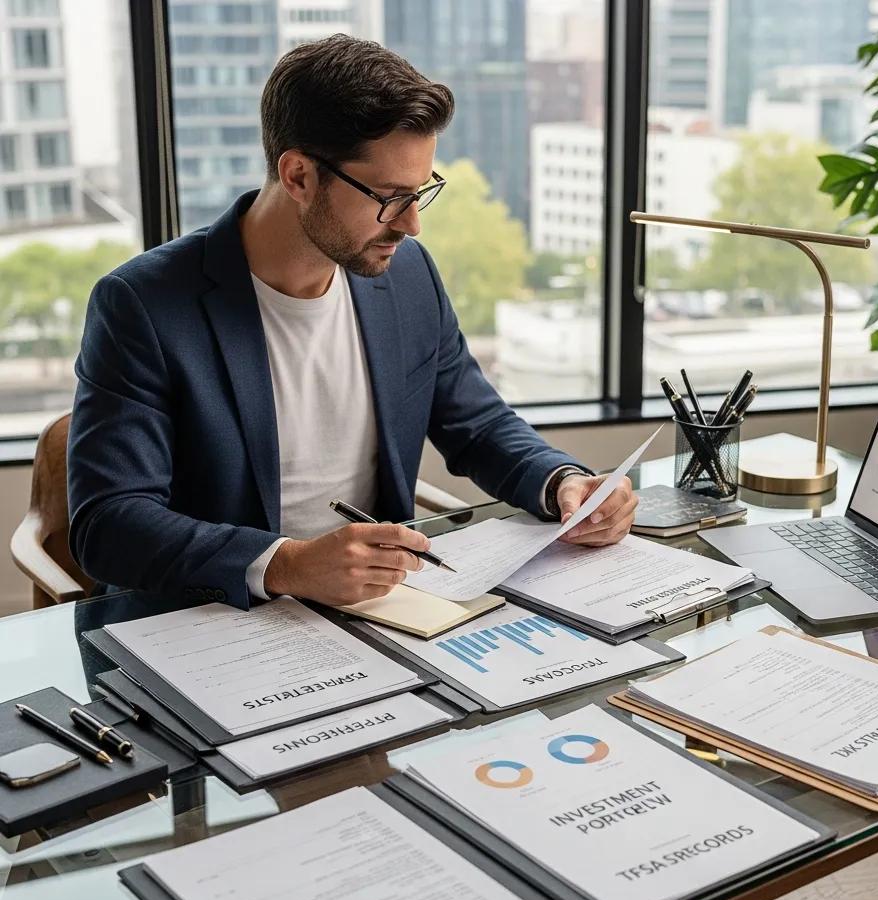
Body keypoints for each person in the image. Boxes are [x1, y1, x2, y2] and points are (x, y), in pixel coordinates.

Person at [68, 34, 637, 612]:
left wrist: (563, 482)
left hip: (379, 613)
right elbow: (108, 523)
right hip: (208, 621)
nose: (412, 224)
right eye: (390, 197)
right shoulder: (142, 305)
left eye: (421, 193)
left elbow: (477, 423)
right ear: (298, 177)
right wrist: (285, 564)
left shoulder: (407, 275)